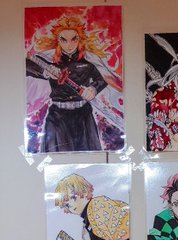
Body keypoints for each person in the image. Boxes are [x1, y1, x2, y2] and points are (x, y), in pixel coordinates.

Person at [25, 13, 121, 153]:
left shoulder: (88, 61)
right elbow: (26, 65)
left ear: (79, 39)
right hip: (57, 117)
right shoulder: (49, 59)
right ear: (58, 40)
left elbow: (101, 80)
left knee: (90, 159)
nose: (69, 45)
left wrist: (93, 89)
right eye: (64, 40)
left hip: (84, 116)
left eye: (73, 39)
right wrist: (46, 71)